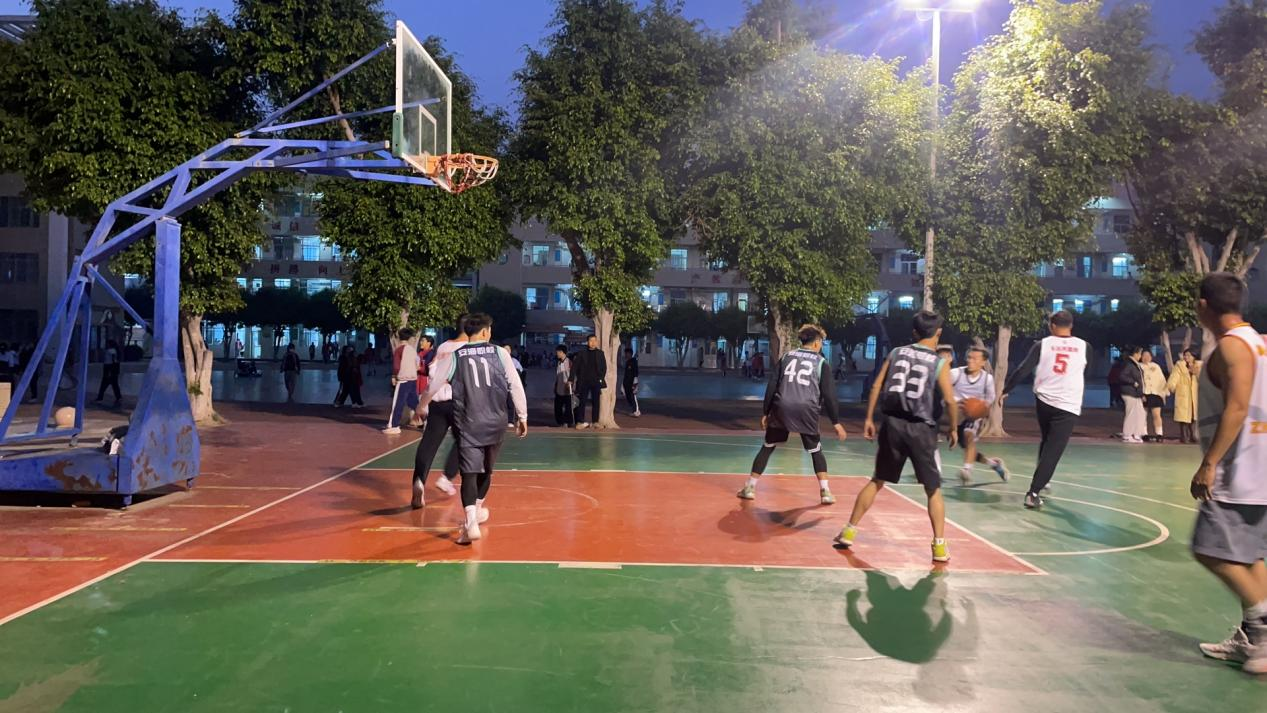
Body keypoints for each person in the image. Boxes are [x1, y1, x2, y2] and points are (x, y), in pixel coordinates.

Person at [1189, 272, 1267, 674]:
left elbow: (1236, 407)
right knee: (1249, 556)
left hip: (1238, 469)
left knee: (1209, 550)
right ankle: (1252, 638)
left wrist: (1210, 463)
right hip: (1260, 466)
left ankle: (1263, 631)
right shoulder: (1258, 342)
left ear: (1203, 305)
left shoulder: (1232, 347)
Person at [834, 311, 957, 562]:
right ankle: (939, 546)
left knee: (877, 480)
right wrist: (953, 428)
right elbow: (950, 400)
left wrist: (869, 418)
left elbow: (876, 385)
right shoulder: (939, 363)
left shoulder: (896, 353)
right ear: (938, 333)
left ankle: (849, 531)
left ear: (913, 332)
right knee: (933, 489)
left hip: (892, 425)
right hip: (921, 428)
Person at [738, 324, 847, 505]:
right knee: (815, 450)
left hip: (782, 406)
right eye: (821, 342)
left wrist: (766, 411)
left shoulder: (786, 357)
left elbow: (772, 385)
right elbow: (829, 395)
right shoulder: (821, 362)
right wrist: (836, 422)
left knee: (768, 446)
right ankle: (825, 491)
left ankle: (749, 487)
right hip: (807, 408)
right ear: (816, 343)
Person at [448, 313, 528, 544]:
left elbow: (435, 382)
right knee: (486, 471)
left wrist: (423, 404)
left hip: (468, 422)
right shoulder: (500, 353)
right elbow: (515, 385)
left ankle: (471, 521)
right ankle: (477, 510)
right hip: (496, 422)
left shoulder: (455, 356)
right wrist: (522, 416)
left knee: (469, 473)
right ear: (485, 332)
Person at [1000, 310, 1088, 509]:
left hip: (1044, 401)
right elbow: (1087, 371)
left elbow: (1023, 369)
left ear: (1052, 326)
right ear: (1071, 325)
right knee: (1053, 450)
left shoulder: (1043, 344)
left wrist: (1006, 390)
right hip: (1067, 403)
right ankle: (1033, 493)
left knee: (1047, 440)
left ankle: (1043, 480)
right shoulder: (1084, 346)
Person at [411, 320, 468, 508]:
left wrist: (423, 404)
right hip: (459, 403)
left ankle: (419, 480)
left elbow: (432, 373)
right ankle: (447, 477)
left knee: (428, 444)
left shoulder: (443, 346)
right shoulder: (469, 349)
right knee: (465, 442)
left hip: (437, 401)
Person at [951, 347, 1009, 485]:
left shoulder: (987, 379)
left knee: (969, 436)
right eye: (969, 357)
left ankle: (967, 470)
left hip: (972, 416)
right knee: (968, 449)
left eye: (975, 358)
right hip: (954, 414)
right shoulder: (955, 373)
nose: (970, 361)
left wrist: (979, 410)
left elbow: (989, 400)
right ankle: (994, 464)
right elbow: (942, 389)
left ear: (983, 362)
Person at [383, 328, 419, 434]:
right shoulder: (412, 350)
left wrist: (394, 376)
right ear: (409, 338)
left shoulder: (399, 350)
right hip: (413, 379)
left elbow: (396, 366)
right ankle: (428, 419)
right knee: (414, 403)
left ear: (399, 337)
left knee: (398, 403)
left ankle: (394, 425)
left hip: (403, 380)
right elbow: (417, 364)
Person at [570, 334, 607, 429]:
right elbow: (574, 367)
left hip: (596, 382)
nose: (593, 343)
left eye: (595, 341)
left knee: (596, 402)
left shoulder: (600, 353)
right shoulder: (581, 353)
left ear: (597, 342)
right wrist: (571, 379)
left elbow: (604, 368)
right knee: (582, 402)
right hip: (584, 381)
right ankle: (580, 422)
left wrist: (601, 379)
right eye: (591, 341)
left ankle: (595, 422)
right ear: (587, 342)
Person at [1168, 349, 1201, 443]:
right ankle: (1184, 436)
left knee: (1193, 416)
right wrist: (1171, 386)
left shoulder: (1198, 366)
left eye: (1189, 355)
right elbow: (1174, 377)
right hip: (1184, 393)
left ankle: (1193, 435)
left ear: (1194, 356)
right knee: (1183, 416)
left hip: (1194, 394)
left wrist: (1195, 371)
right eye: (1185, 355)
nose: (1186, 357)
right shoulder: (1179, 366)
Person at [1119, 346, 1147, 444]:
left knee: (1140, 414)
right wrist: (1133, 382)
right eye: (1140, 353)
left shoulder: (1135, 364)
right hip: (1130, 392)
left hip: (1136, 394)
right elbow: (1122, 376)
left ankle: (1136, 434)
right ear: (1135, 354)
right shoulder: (1129, 364)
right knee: (1131, 414)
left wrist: (1141, 393)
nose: (1140, 356)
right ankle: (1127, 435)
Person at [1141, 351, 1168, 442]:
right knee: (1143, 415)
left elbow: (1162, 380)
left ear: (1151, 357)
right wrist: (1141, 394)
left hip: (1156, 393)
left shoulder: (1156, 366)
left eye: (1148, 355)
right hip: (1145, 393)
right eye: (1144, 355)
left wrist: (1163, 394)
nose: (1146, 357)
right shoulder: (1139, 366)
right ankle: (1144, 433)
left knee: (1157, 415)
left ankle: (1159, 434)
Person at [94, 339, 122, 407]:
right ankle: (118, 397)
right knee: (114, 384)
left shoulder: (110, 351)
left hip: (109, 368)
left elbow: (112, 360)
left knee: (104, 384)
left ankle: (100, 398)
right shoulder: (114, 350)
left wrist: (110, 371)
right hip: (112, 369)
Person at [553, 345, 575, 428]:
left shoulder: (569, 362)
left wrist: (571, 384)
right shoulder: (559, 363)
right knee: (557, 406)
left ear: (562, 352)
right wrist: (555, 385)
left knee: (568, 407)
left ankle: (567, 422)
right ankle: (560, 422)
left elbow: (572, 375)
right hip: (559, 388)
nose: (557, 354)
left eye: (558, 352)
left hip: (567, 388)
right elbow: (558, 375)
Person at [622, 346, 641, 417]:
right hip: (627, 382)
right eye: (625, 353)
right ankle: (633, 410)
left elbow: (636, 372)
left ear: (630, 354)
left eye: (627, 353)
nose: (626, 355)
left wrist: (635, 382)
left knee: (633, 396)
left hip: (632, 382)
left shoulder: (634, 361)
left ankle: (636, 411)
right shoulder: (627, 362)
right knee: (628, 396)